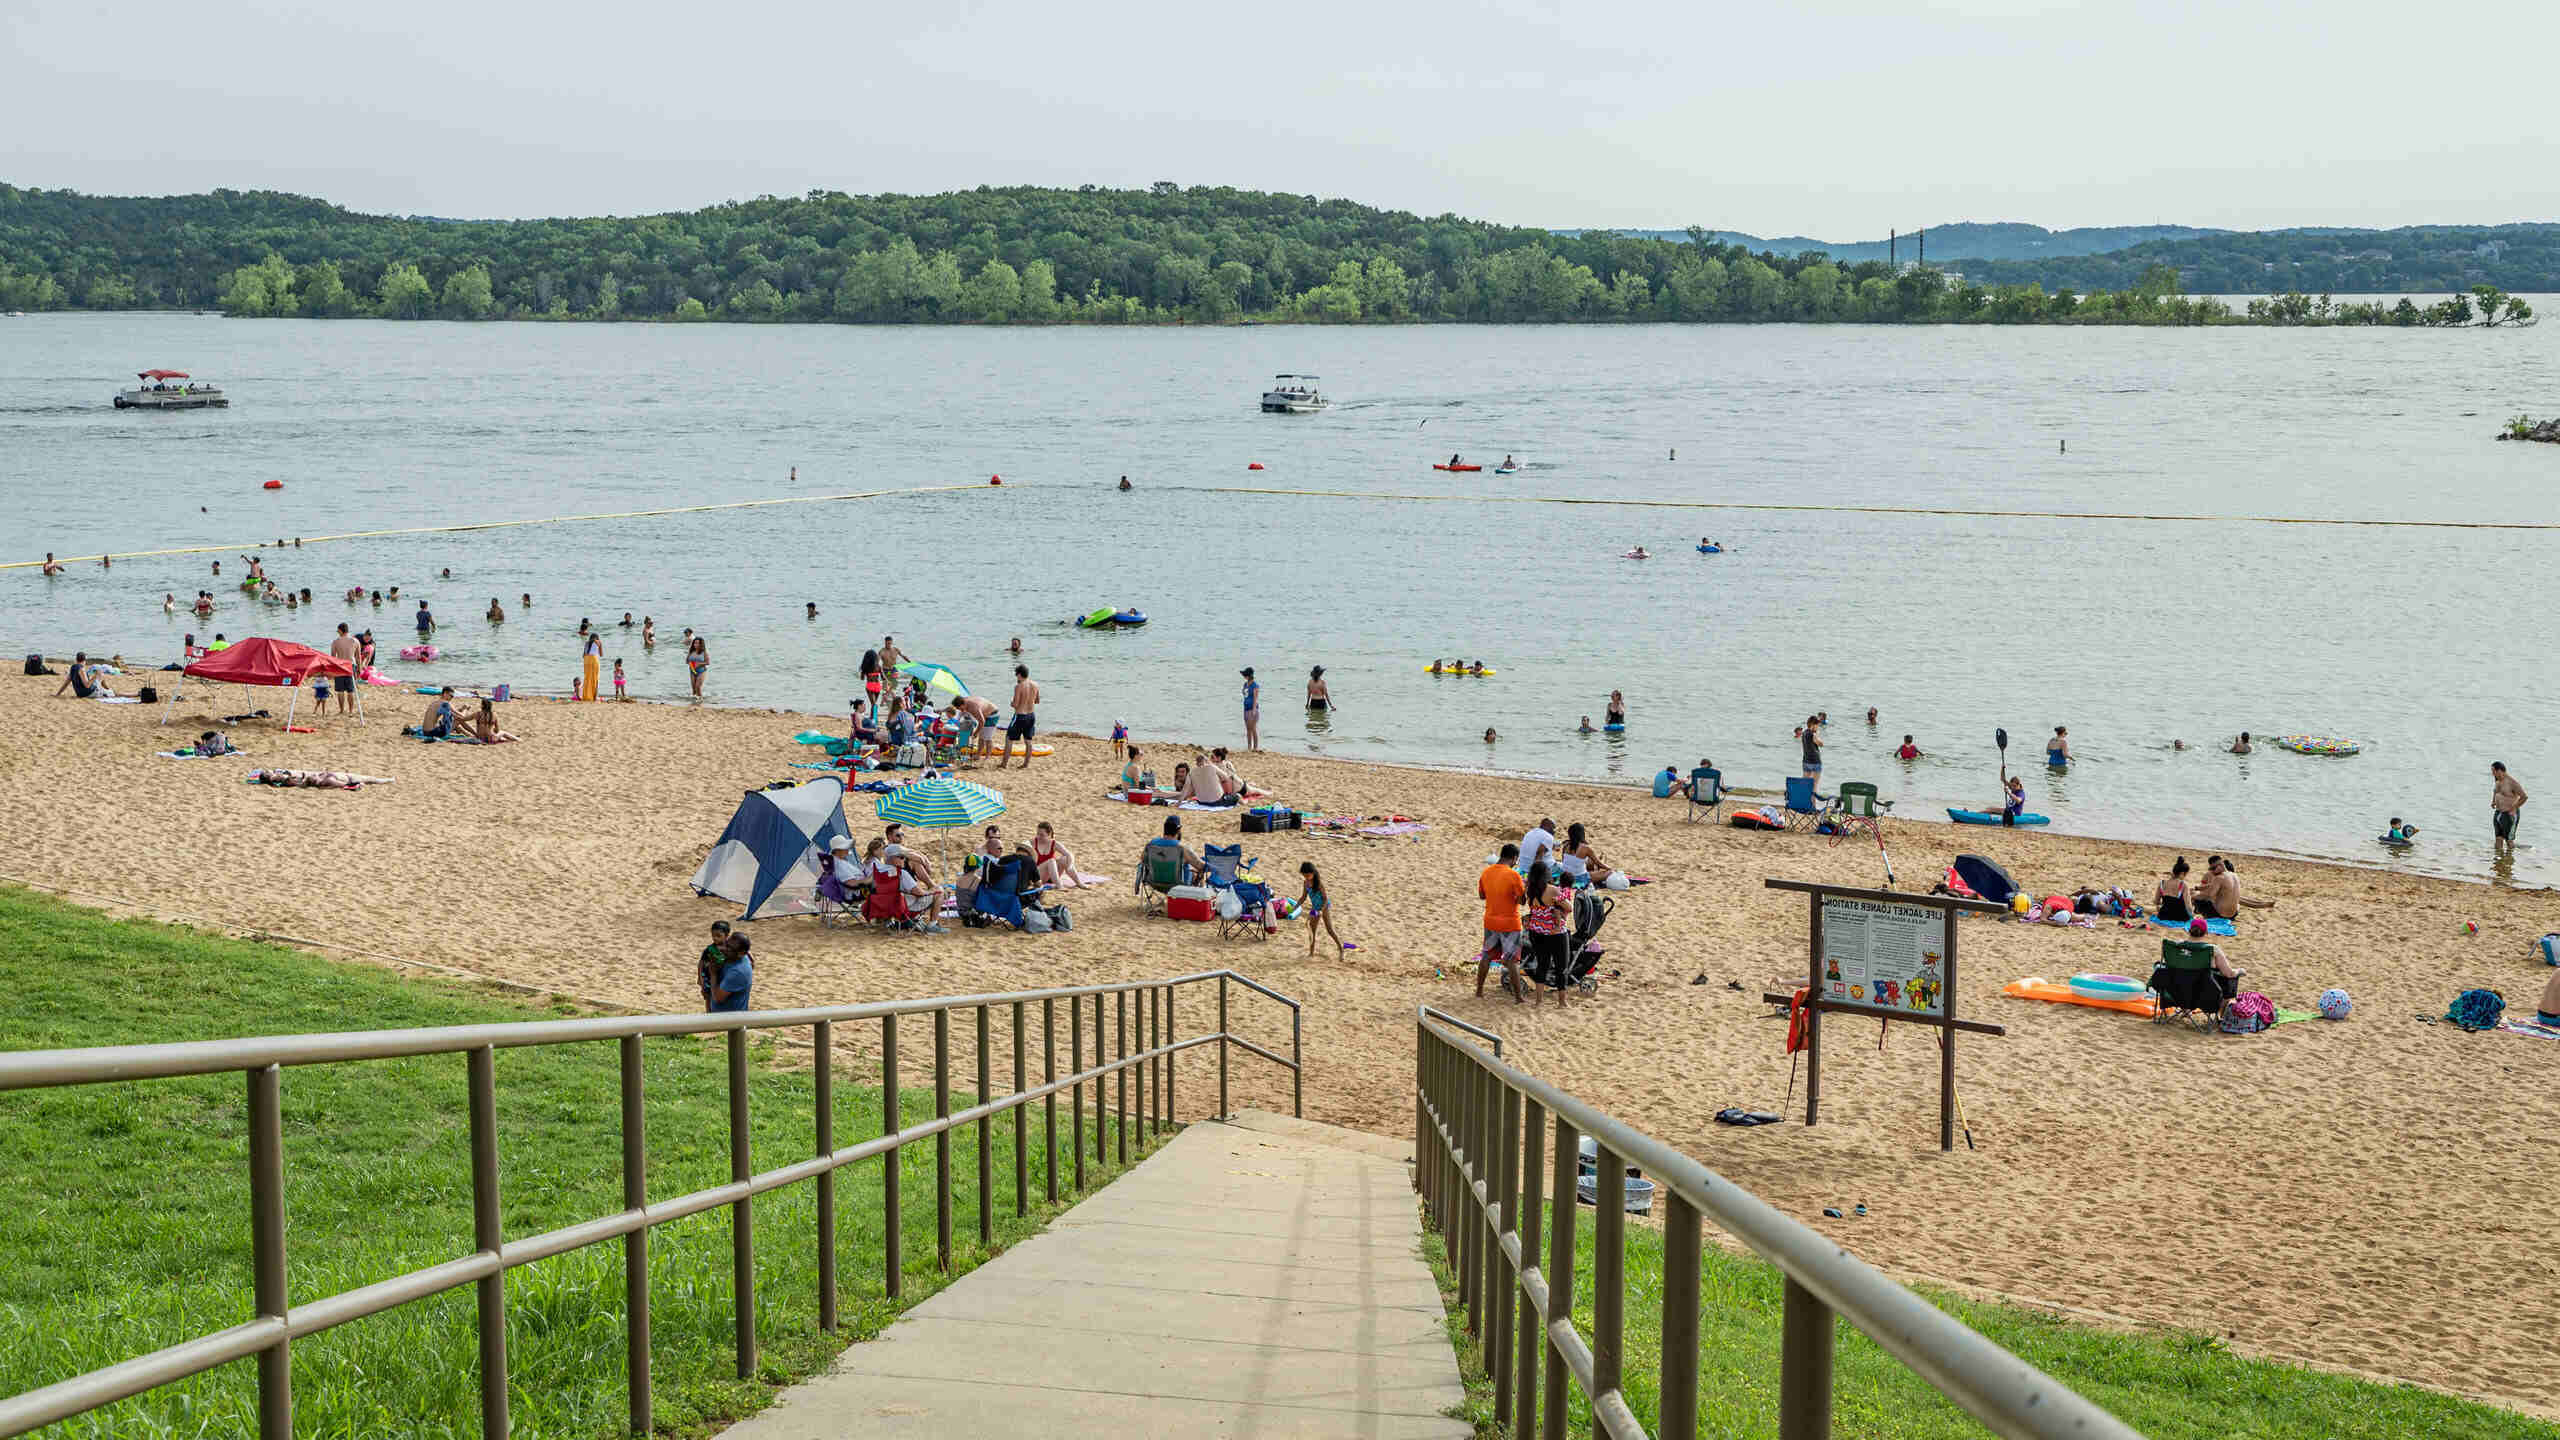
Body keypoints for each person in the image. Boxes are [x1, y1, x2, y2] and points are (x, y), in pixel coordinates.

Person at [1477, 844, 1526, 1001]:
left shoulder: (1486, 872)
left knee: (1486, 957)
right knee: (1511, 961)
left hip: (1491, 921)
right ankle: (1518, 997)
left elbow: (1482, 896)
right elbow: (1521, 900)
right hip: (1510, 923)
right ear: (1513, 858)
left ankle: (1479, 991)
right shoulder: (1514, 875)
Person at [1520, 862, 1572, 1006]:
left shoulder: (1529, 890)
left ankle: (1539, 1001)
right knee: (1561, 967)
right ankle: (1562, 1002)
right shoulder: (1553, 890)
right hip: (1556, 934)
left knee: (1542, 965)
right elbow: (1569, 907)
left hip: (1536, 932)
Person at [2193, 854, 2273, 920]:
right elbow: (2212, 886)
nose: (2212, 871)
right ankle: (2263, 904)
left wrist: (2193, 897)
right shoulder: (2234, 875)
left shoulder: (2219, 878)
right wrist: (2198, 888)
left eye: (2213, 868)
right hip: (2234, 915)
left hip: (2220, 915)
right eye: (2211, 869)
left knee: (2199, 900)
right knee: (2236, 899)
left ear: (2220, 865)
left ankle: (2196, 911)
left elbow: (2209, 896)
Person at [1299, 862, 1348, 956]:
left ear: (1313, 873)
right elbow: (1303, 897)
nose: (1306, 877)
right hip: (1314, 908)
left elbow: (1325, 899)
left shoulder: (1319, 884)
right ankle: (1311, 953)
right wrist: (1295, 906)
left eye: (1307, 875)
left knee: (1329, 929)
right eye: (1304, 876)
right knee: (1311, 929)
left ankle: (1341, 948)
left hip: (1324, 907)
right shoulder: (1305, 883)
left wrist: (1321, 910)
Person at [1004, 664, 1039, 768]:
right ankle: (1026, 764)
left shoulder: (1019, 686)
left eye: (1016, 674)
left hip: (1020, 716)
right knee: (1028, 740)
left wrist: (1011, 703)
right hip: (1031, 715)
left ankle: (1004, 764)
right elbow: (1037, 701)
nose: (1016, 677)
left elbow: (1015, 704)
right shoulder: (1036, 684)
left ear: (1019, 674)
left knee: (1009, 738)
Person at [707, 933, 754, 1012]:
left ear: (741, 953)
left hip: (729, 1020)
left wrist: (713, 974)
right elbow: (752, 961)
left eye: (730, 948)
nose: (724, 949)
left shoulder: (738, 972)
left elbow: (718, 998)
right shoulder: (741, 956)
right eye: (726, 944)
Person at [1031, 821, 1084, 889]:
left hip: (1053, 875)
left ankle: (1079, 883)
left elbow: (1069, 854)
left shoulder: (1054, 843)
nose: (1039, 837)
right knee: (1051, 861)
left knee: (1064, 859)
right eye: (1037, 834)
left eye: (1041, 835)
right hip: (1039, 876)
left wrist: (1069, 866)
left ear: (1049, 834)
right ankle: (1059, 886)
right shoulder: (1033, 842)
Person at [2492, 762, 2528, 855]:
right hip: (2498, 813)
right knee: (2498, 839)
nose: (2492, 773)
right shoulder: (2498, 780)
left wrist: (2514, 808)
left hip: (2509, 815)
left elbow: (2524, 797)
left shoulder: (2512, 783)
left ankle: (2510, 862)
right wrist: (2493, 801)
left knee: (2509, 841)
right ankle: (2498, 861)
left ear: (2500, 771)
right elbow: (2496, 791)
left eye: (2493, 771)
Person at [697, 922, 733, 1004]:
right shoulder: (710, 949)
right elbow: (701, 963)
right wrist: (700, 979)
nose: (715, 938)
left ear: (727, 936)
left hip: (723, 979)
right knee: (708, 997)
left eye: (718, 936)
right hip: (710, 979)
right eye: (713, 935)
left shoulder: (731, 949)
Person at [328, 624, 359, 714]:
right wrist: (359, 669)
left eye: (338, 631)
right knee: (350, 690)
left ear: (341, 631)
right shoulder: (355, 641)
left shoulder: (335, 642)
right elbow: (358, 657)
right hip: (350, 665)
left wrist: (332, 670)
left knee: (340, 691)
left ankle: (341, 710)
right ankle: (350, 711)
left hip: (340, 665)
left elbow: (333, 657)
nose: (337, 632)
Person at [2154, 857, 2193, 923]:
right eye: (2186, 875)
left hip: (2163, 915)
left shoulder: (2162, 883)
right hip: (2179, 917)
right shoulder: (2183, 885)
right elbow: (2188, 905)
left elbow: (2156, 901)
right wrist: (2192, 916)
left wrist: (2164, 905)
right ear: (2182, 873)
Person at [1240, 666, 1262, 752]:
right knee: (1248, 729)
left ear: (1249, 676)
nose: (1244, 677)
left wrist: (1254, 710)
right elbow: (1244, 694)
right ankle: (1249, 747)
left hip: (1252, 709)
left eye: (1245, 675)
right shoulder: (1245, 684)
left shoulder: (1255, 686)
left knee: (1253, 729)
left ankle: (1255, 747)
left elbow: (1255, 698)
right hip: (1246, 708)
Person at [581, 630, 603, 702]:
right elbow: (601, 654)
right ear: (597, 638)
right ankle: (594, 697)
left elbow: (583, 655)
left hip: (586, 660)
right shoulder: (598, 642)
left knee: (587, 679)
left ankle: (586, 696)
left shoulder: (586, 643)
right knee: (595, 679)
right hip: (593, 660)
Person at [1801, 715, 1823, 780]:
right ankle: (1813, 791)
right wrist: (1817, 735)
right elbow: (1821, 744)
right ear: (1813, 725)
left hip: (1806, 760)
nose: (1818, 727)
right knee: (1815, 783)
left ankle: (1802, 790)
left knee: (1805, 781)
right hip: (1815, 761)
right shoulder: (1813, 734)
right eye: (1817, 725)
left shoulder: (1804, 733)